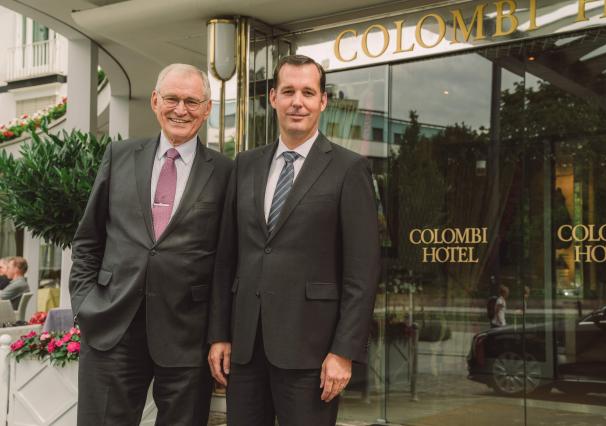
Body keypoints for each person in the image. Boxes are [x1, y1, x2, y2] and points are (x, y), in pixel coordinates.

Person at [208, 55, 380, 426]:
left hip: (312, 353)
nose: (297, 102)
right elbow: (226, 258)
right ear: (273, 98)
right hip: (246, 349)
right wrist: (219, 334)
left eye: (307, 92)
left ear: (323, 101)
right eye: (288, 91)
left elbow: (362, 273)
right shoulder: (245, 165)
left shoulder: (349, 169)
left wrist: (343, 351)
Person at [69, 63, 233, 426]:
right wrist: (84, 304)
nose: (181, 109)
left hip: (188, 334)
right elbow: (88, 239)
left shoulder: (226, 172)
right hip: (112, 326)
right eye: (172, 99)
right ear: (155, 101)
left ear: (207, 108)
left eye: (192, 101)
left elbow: (227, 261)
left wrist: (219, 333)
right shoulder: (119, 156)